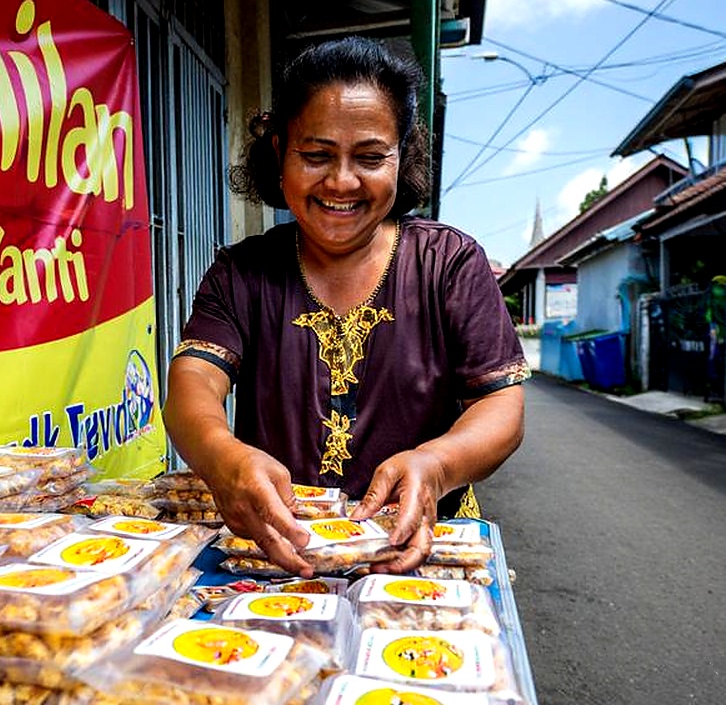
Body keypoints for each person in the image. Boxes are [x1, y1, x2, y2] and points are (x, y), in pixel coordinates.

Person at [164, 37, 529, 577]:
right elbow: (192, 383)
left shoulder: (449, 262)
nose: (341, 181)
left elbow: (501, 408)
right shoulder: (242, 272)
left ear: (403, 157)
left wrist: (436, 465)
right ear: (278, 152)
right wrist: (224, 458)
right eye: (315, 155)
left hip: (419, 553)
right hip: (281, 553)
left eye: (370, 157)